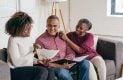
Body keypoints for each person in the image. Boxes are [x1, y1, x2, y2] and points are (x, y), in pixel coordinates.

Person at [35, 15, 90, 80]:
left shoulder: (63, 36)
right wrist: (62, 66)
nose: (52, 28)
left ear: (59, 26)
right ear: (46, 25)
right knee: (62, 72)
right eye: (49, 25)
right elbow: (43, 62)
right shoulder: (40, 40)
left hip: (67, 63)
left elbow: (71, 52)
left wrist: (68, 60)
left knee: (85, 63)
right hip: (55, 67)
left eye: (55, 26)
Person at [5, 11, 48, 80]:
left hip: (26, 68)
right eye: (26, 29)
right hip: (15, 70)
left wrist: (37, 61)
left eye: (30, 27)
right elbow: (17, 62)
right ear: (18, 28)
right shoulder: (13, 39)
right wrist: (33, 52)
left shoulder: (28, 38)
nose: (29, 30)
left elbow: (27, 58)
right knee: (42, 71)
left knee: (50, 70)